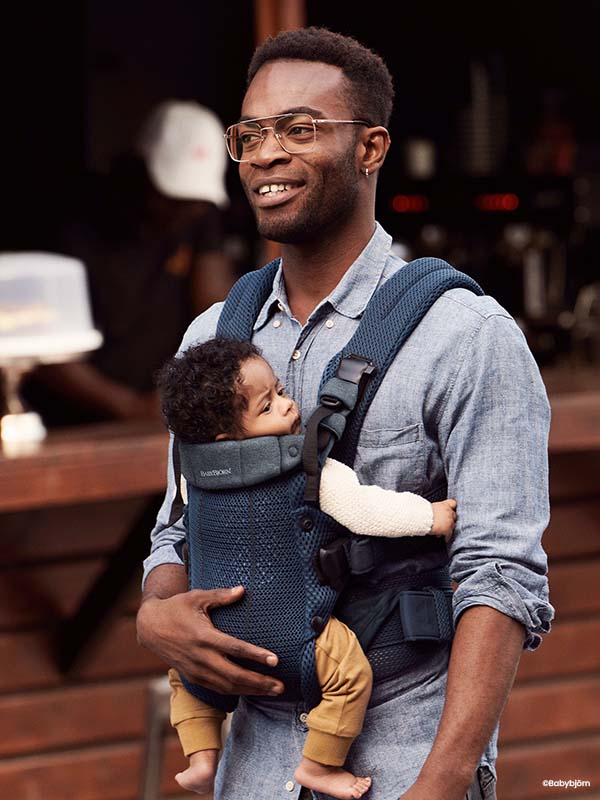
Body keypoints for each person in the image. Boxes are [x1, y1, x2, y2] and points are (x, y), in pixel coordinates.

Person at [137, 27, 554, 800]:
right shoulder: (212, 338)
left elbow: (501, 576)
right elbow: (176, 529)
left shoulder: (467, 335)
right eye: (251, 134)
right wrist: (156, 613)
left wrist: (443, 780)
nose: (265, 153)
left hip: (399, 760)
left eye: (299, 129)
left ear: (371, 149)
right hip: (250, 767)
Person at [155, 337, 457, 798]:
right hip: (294, 633)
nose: (288, 404)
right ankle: (318, 765)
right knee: (350, 675)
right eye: (267, 405)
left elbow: (176, 528)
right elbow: (365, 510)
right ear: (226, 436)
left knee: (187, 676)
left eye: (279, 390)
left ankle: (200, 757)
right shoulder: (306, 465)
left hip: (215, 631)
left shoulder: (191, 472)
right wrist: (430, 517)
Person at [23, 100, 237, 426]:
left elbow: (214, 307)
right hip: (79, 417)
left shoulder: (197, 216)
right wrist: (132, 407)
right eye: (172, 199)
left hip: (165, 409)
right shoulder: (74, 223)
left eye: (194, 204)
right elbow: (39, 340)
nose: (185, 212)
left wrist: (198, 385)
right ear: (137, 170)